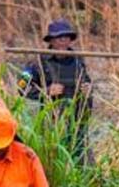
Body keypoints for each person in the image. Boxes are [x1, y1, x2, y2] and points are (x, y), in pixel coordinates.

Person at [17, 18, 92, 165]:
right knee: (53, 159)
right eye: (59, 38)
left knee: (79, 160)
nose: (63, 42)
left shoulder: (78, 61)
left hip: (77, 122)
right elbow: (21, 86)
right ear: (51, 41)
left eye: (66, 38)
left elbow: (87, 82)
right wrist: (45, 91)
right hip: (51, 123)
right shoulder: (38, 61)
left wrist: (88, 89)